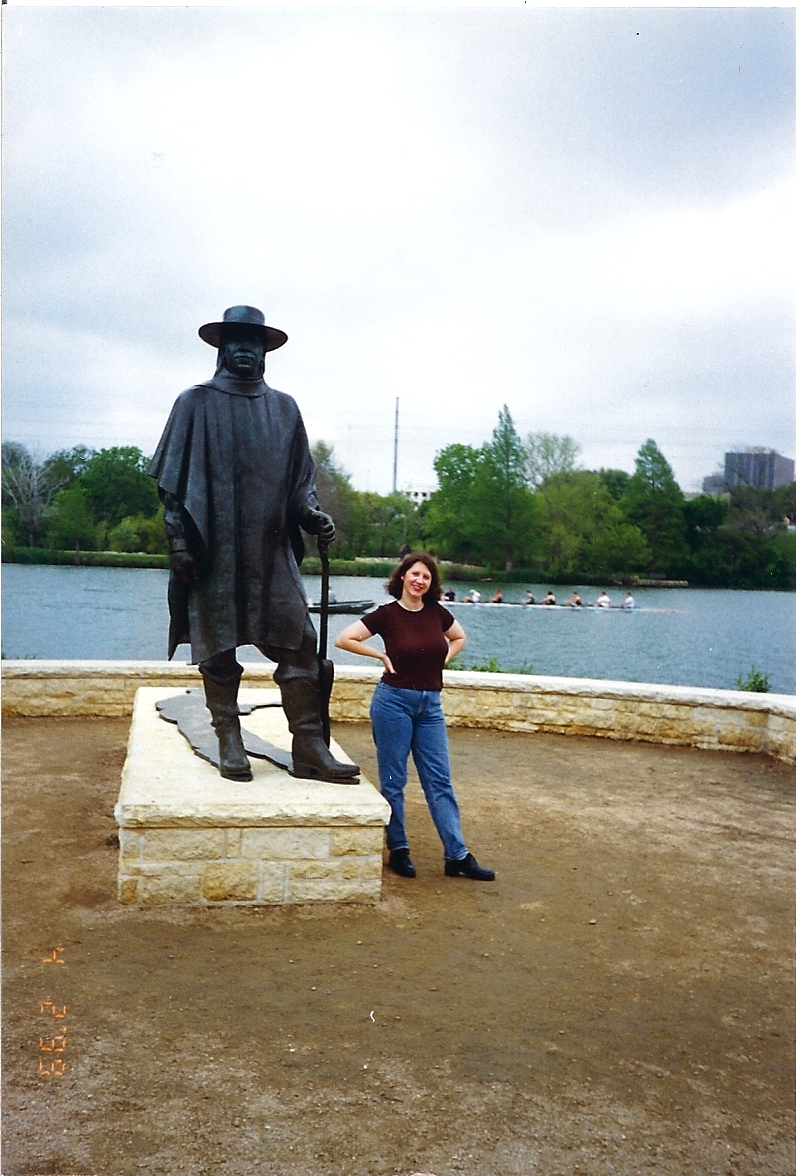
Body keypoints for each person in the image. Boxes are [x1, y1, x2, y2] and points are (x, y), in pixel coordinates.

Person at [149, 305, 359, 785]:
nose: (245, 349)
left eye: (254, 342)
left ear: (266, 351)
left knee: (301, 643)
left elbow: (300, 482)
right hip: (213, 549)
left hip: (270, 552)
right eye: (236, 341)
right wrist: (179, 543)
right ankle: (229, 739)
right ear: (222, 348)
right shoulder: (194, 403)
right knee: (217, 648)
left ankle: (309, 746)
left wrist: (312, 514)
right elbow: (172, 487)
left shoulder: (284, 409)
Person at [335, 552, 495, 882]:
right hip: (393, 703)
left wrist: (443, 659)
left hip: (430, 707)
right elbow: (344, 638)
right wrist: (379, 654)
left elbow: (460, 637)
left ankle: (457, 855)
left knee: (440, 781)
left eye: (427, 577)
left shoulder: (437, 613)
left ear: (430, 584)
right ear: (403, 577)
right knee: (394, 780)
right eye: (415, 574)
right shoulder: (386, 615)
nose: (420, 580)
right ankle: (399, 850)